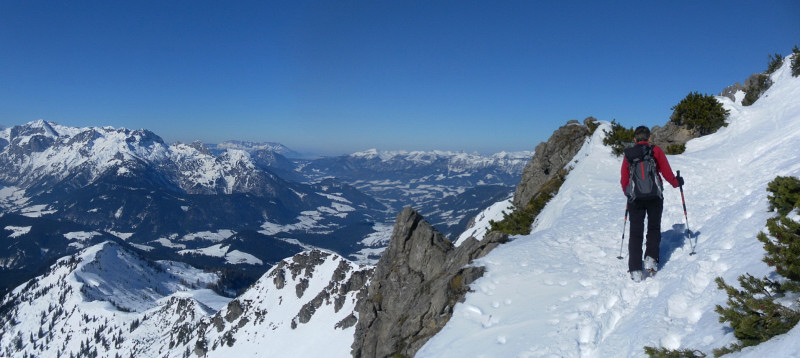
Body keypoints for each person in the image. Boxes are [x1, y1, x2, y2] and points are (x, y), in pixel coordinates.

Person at [620, 126, 683, 282]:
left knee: (635, 232)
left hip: (635, 199)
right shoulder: (656, 151)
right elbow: (667, 173)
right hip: (655, 196)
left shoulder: (629, 155)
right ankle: (651, 259)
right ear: (649, 138)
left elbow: (624, 179)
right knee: (653, 227)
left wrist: (629, 194)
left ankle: (635, 269)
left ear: (635, 139)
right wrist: (677, 183)